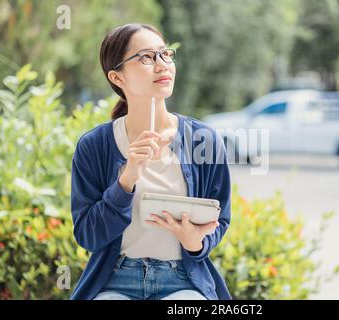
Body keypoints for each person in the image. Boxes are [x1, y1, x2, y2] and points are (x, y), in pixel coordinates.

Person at [69, 23, 231, 300]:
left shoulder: (204, 139)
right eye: (146, 57)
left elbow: (221, 218)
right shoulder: (94, 146)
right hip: (114, 281)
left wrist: (196, 243)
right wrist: (126, 179)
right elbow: (88, 236)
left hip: (183, 281)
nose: (161, 65)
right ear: (117, 77)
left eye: (164, 54)